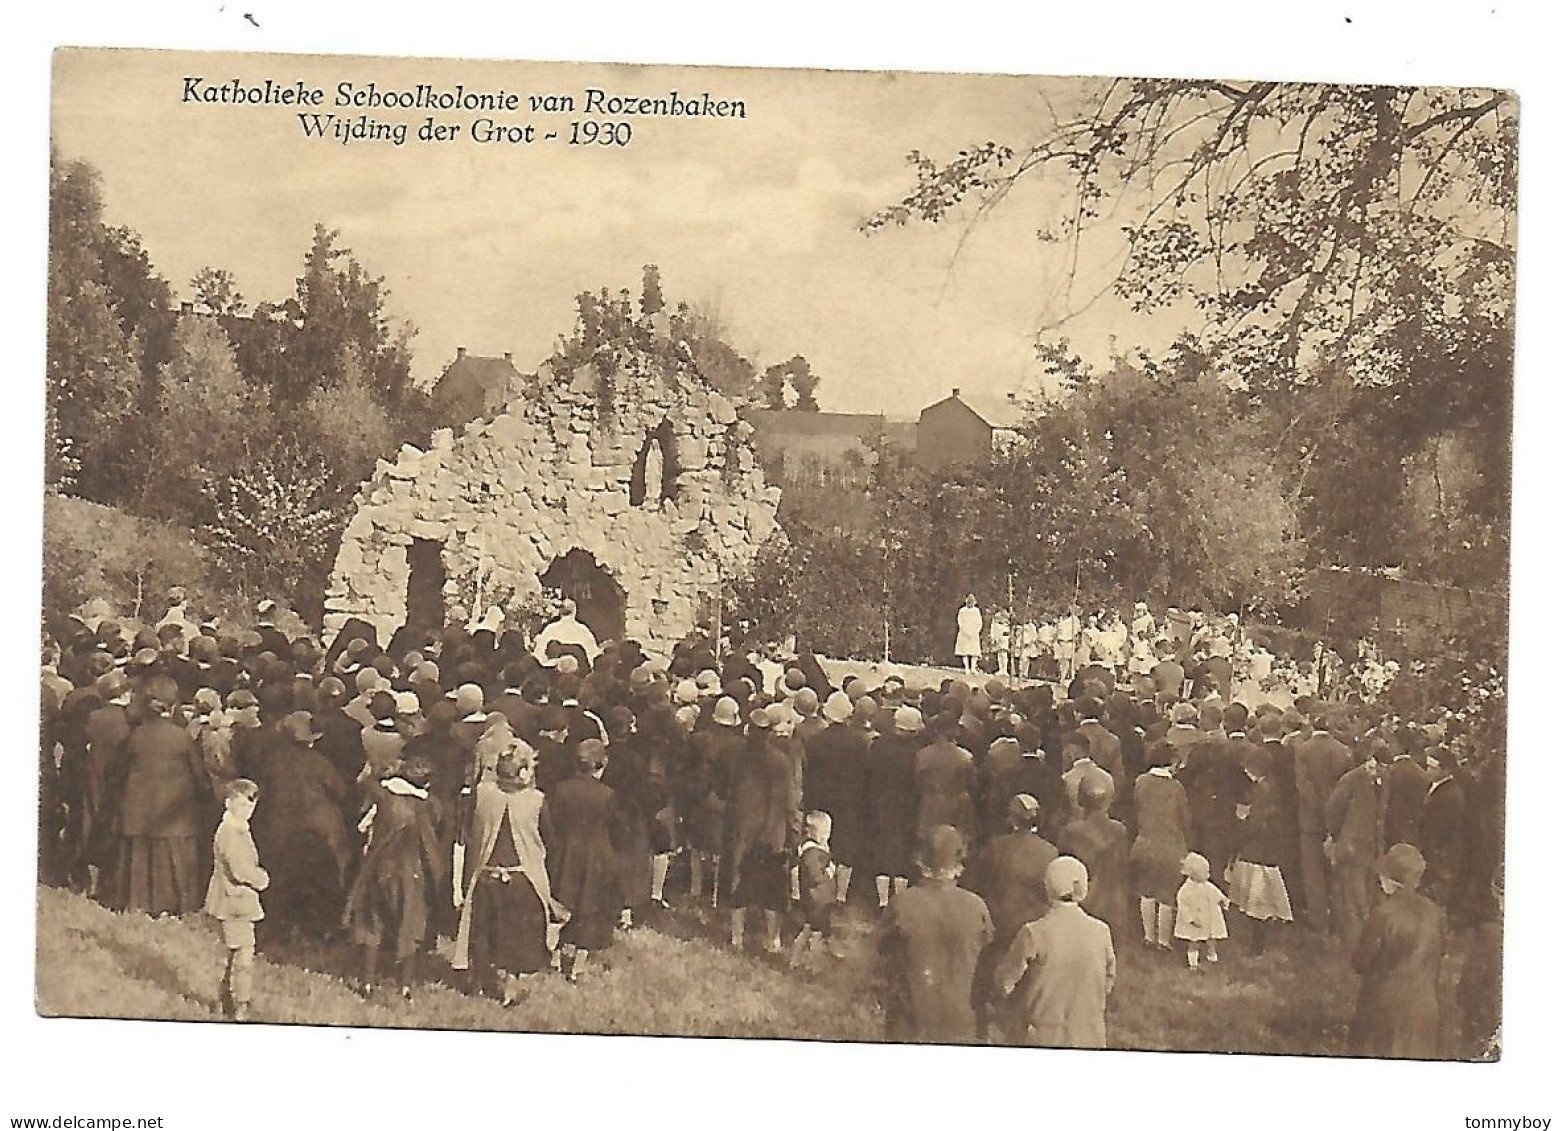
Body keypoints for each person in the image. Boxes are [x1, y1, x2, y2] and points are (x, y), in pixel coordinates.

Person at [452, 745, 560, 1003]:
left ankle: (477, 981)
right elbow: (550, 840)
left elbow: (466, 831)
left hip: (485, 875)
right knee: (516, 936)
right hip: (522, 878)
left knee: (482, 931)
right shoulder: (536, 800)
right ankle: (509, 990)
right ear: (522, 772)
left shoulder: (482, 794)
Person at [876, 825, 993, 1044]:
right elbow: (988, 954)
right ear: (959, 865)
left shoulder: (902, 904)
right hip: (963, 1024)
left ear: (921, 861)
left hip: (910, 1023)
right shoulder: (977, 906)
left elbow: (879, 949)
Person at [343, 755, 446, 1002]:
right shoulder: (428, 805)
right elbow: (435, 836)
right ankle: (405, 986)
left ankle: (367, 983)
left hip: (379, 868)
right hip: (411, 873)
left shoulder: (383, 797)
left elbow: (362, 818)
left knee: (372, 923)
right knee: (409, 925)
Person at [991, 855, 1116, 1048]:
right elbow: (1108, 980)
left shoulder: (1033, 932)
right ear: (1083, 888)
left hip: (1043, 1034)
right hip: (1090, 1033)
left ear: (1047, 888)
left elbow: (1004, 984)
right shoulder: (1102, 931)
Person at [114, 675, 207, 916]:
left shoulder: (135, 735)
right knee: (174, 857)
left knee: (139, 858)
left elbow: (120, 772)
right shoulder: (182, 737)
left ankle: (137, 903)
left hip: (139, 810)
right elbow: (200, 776)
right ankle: (175, 905)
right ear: (173, 705)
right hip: (173, 814)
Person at [1350, 844, 1445, 1059]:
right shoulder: (1436, 912)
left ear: (1389, 879)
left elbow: (1359, 962)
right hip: (1427, 1005)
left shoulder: (1383, 913)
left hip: (1386, 1007)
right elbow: (1440, 952)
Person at [544, 738, 623, 982]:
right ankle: (577, 965)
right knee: (591, 907)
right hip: (596, 854)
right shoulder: (607, 794)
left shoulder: (561, 789)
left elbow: (553, 820)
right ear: (602, 764)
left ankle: (555, 958)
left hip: (565, 851)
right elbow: (614, 826)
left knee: (562, 901)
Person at [205, 778, 270, 1021]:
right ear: (228, 803)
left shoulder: (236, 828)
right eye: (242, 805)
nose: (247, 811)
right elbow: (240, 869)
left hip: (230, 900)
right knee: (243, 954)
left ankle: (223, 999)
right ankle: (240, 1003)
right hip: (235, 902)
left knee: (230, 953)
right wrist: (261, 879)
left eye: (251, 807)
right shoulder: (231, 833)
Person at [1226, 746, 1294, 955]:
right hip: (1267, 850)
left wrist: (1242, 821)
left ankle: (1257, 946)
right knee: (1259, 901)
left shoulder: (1262, 791)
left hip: (1257, 852)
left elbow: (1256, 823)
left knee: (1257, 902)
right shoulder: (1270, 786)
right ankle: (1258, 941)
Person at [1058, 776, 1131, 947]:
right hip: (1115, 903)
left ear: (1081, 800)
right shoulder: (1119, 829)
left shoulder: (1071, 832)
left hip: (1085, 903)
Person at [1131, 742, 1191, 951]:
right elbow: (1185, 819)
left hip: (1145, 842)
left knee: (1146, 892)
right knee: (1167, 895)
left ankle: (1148, 936)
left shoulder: (1140, 782)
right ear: (1171, 762)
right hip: (1170, 846)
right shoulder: (1176, 788)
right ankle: (1163, 941)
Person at [787, 810, 839, 966]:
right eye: (826, 832)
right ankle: (813, 965)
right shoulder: (811, 852)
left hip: (819, 898)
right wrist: (829, 872)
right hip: (816, 899)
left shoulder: (815, 850)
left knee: (808, 930)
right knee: (816, 933)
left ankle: (795, 961)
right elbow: (815, 876)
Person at [1174, 852, 1229, 971]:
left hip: (1208, 917)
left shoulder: (1207, 885)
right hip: (1196, 919)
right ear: (1194, 874)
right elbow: (1183, 905)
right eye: (1205, 873)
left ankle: (1212, 956)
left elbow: (1215, 893)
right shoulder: (1186, 890)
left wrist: (1223, 900)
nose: (1208, 875)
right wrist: (1190, 919)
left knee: (1211, 938)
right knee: (1194, 941)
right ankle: (1193, 963)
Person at [533, 599, 603, 667]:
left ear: (560, 612)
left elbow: (539, 653)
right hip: (579, 674)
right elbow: (593, 655)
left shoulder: (550, 629)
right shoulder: (583, 630)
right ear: (574, 611)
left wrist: (549, 663)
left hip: (554, 673)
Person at [955, 596, 983, 675]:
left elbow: (979, 622)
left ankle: (973, 668)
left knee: (974, 652)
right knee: (964, 652)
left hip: (974, 633)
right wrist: (965, 631)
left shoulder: (976, 611)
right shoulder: (962, 611)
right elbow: (960, 622)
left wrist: (976, 631)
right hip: (964, 633)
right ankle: (966, 668)